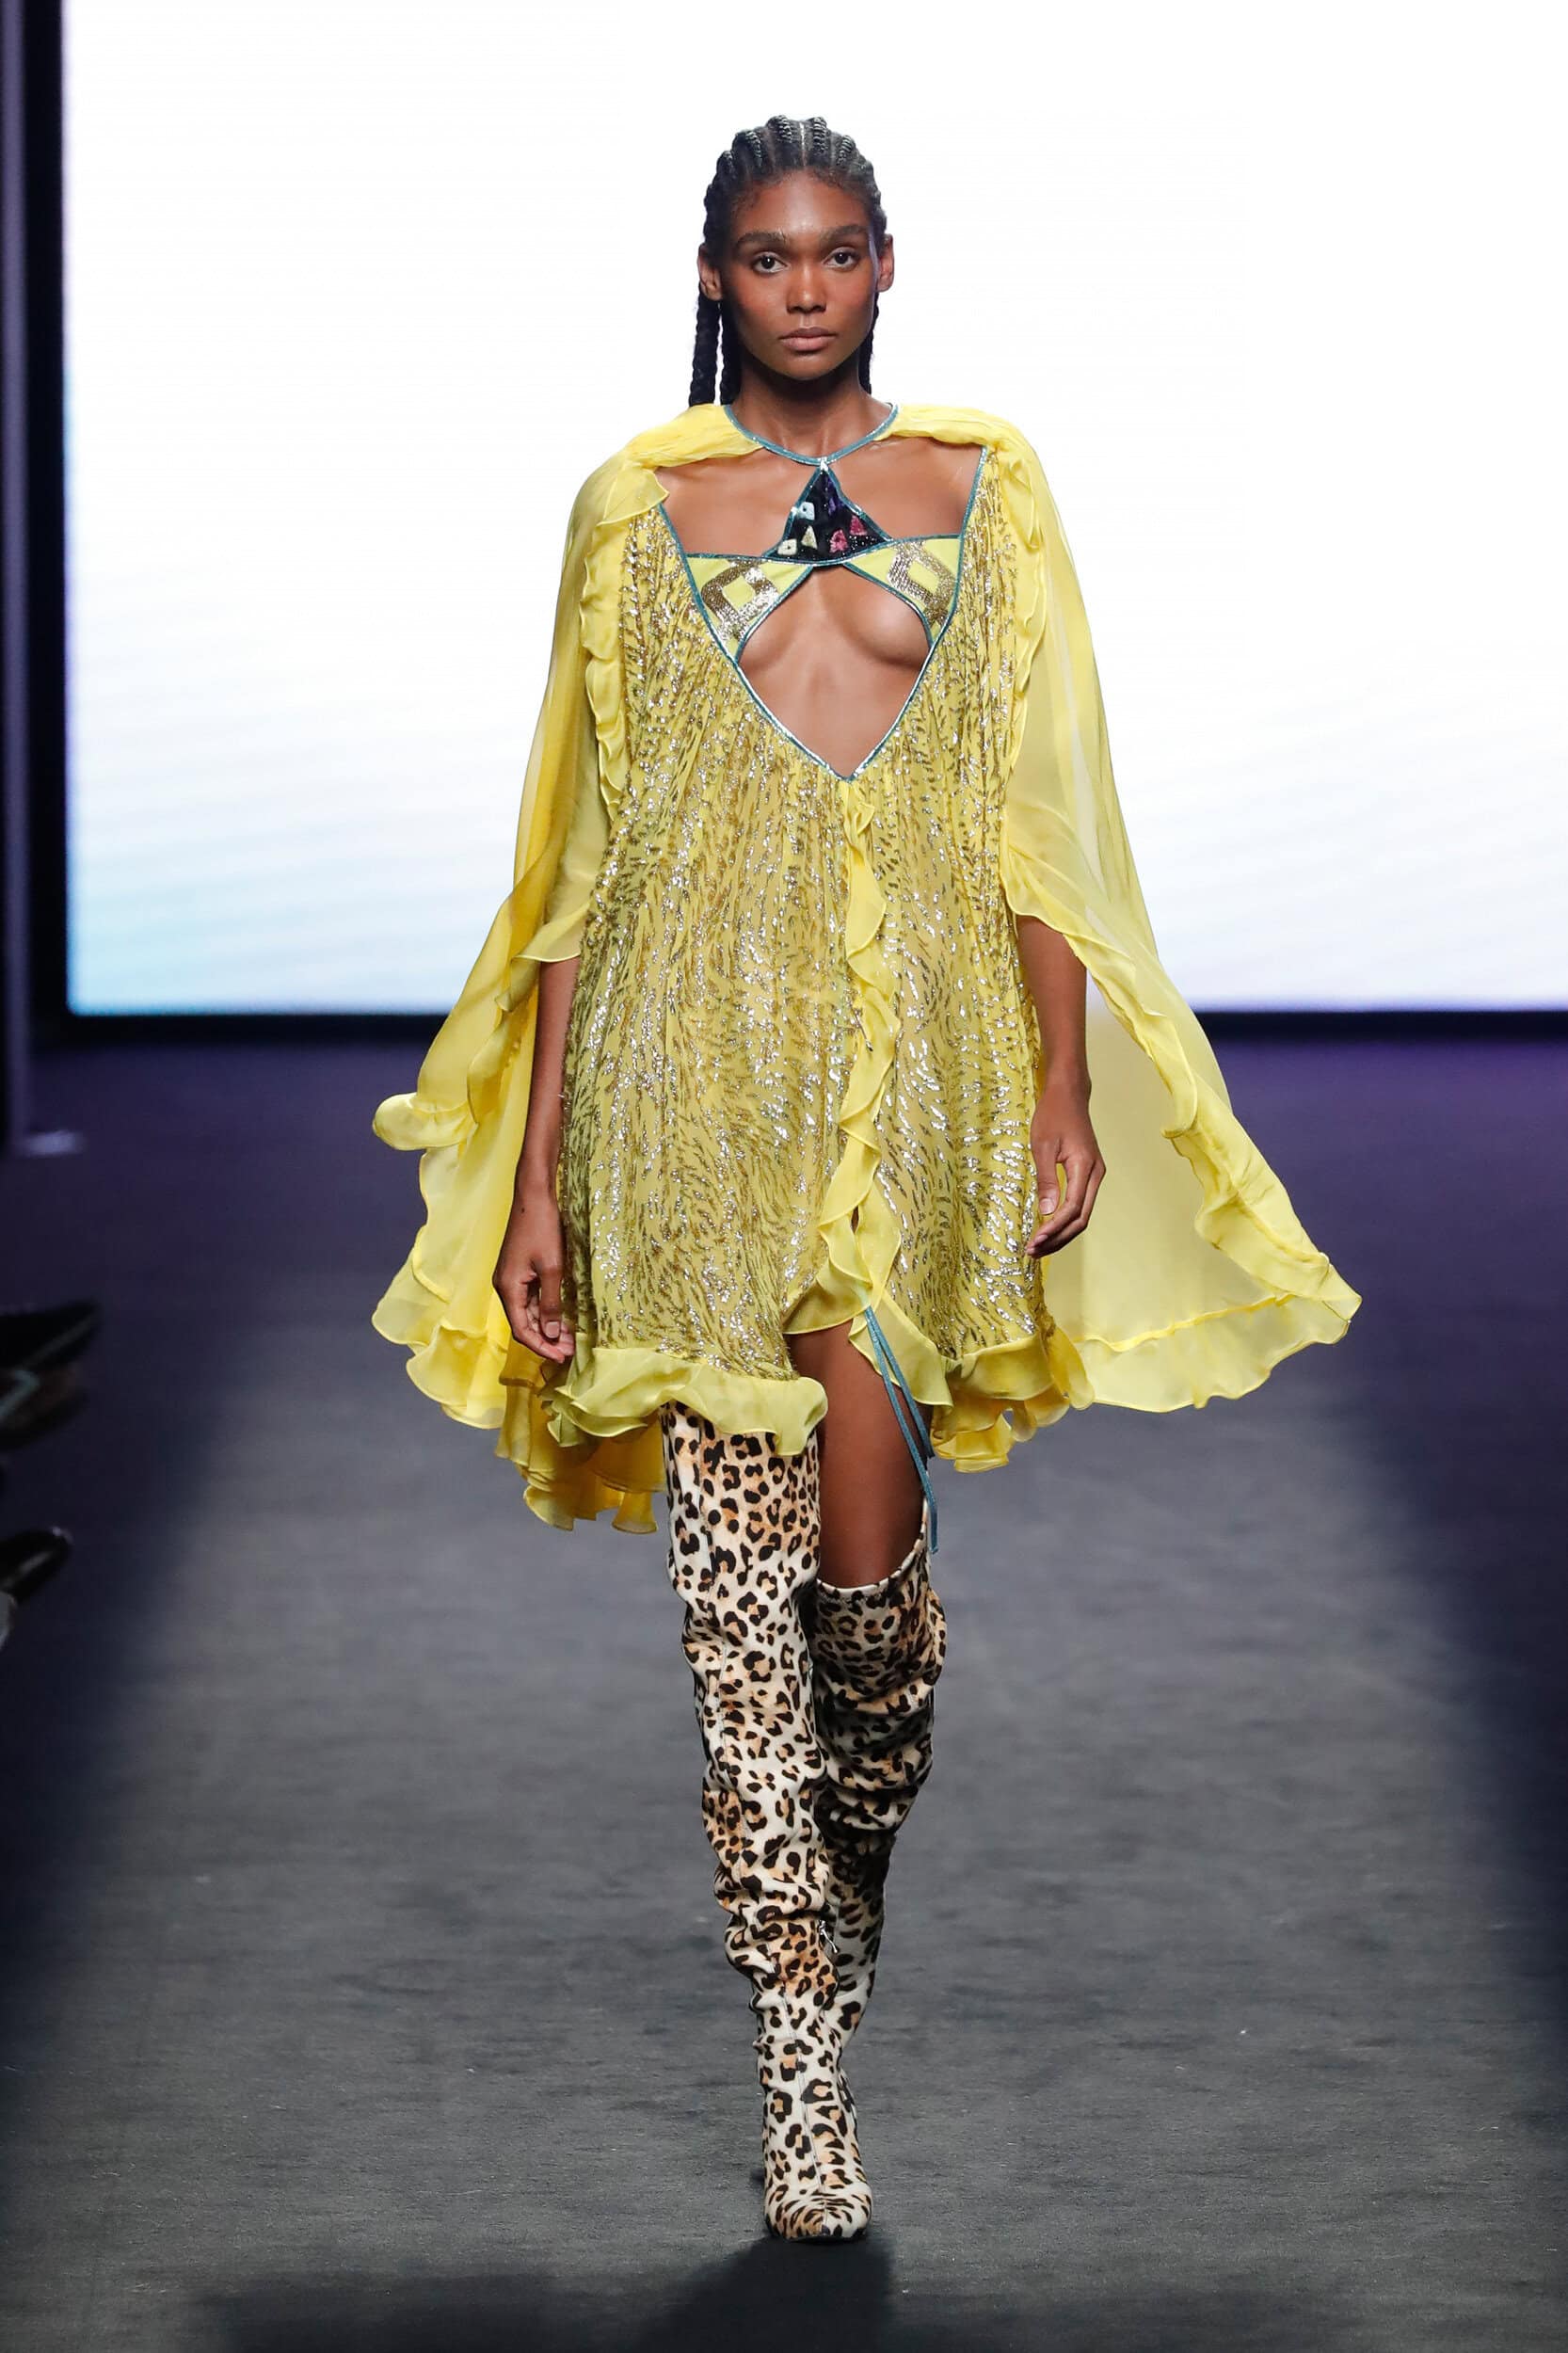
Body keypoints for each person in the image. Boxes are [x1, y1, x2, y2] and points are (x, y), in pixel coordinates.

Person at [371, 115, 1361, 2242]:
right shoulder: (633, 509)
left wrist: (1060, 1090)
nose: (802, 288)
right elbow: (581, 862)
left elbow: (1031, 817)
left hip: (918, 1080)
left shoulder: (984, 490)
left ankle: (845, 1895)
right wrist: (538, 1182)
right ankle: (799, 2077)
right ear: (713, 275)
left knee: (867, 1623)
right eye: (765, 256)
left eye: (833, 253)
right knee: (738, 1625)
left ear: (886, 265)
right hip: (684, 1082)